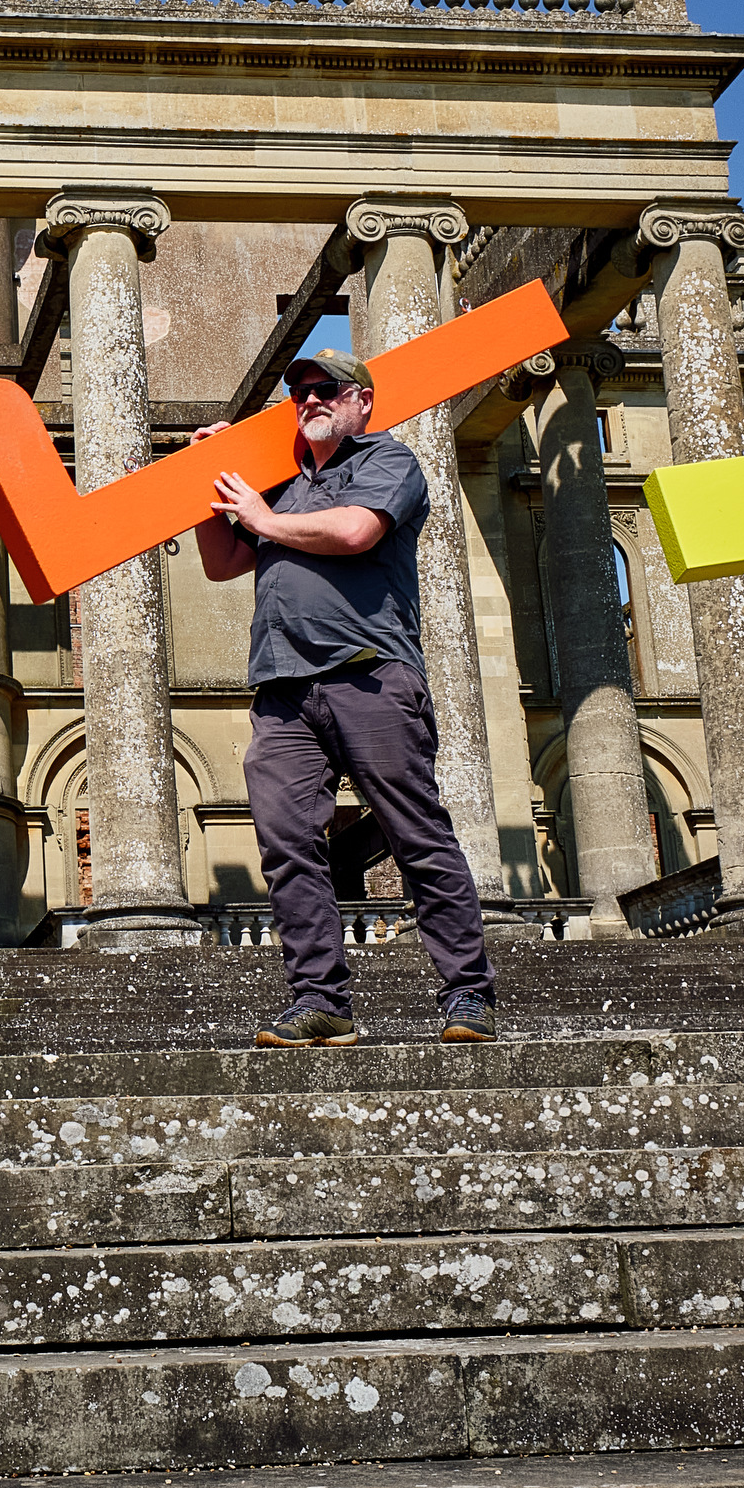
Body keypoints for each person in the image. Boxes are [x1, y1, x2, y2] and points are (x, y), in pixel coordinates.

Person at [192, 351, 499, 1047]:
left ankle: (468, 996)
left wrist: (263, 519)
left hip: (370, 676)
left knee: (415, 834)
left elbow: (358, 531)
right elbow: (221, 563)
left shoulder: (387, 463)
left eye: (324, 388)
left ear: (361, 401)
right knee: (287, 846)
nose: (308, 399)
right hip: (282, 690)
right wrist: (204, 486)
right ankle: (321, 1002)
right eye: (299, 391)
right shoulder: (280, 486)